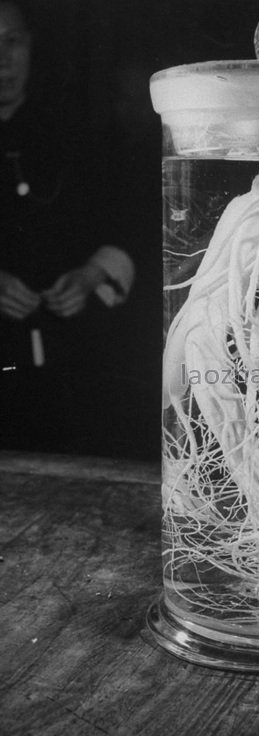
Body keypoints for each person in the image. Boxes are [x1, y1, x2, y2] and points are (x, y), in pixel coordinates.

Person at [0, 0, 136, 455]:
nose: (3, 59)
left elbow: (123, 223)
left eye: (12, 41)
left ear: (30, 46)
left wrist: (91, 274)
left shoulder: (73, 133)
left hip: (72, 366)